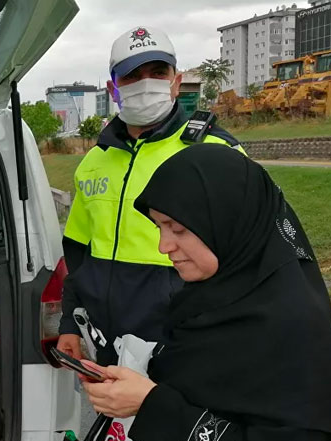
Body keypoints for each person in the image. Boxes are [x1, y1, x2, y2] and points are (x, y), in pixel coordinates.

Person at [82, 144, 331, 441]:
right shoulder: (212, 295)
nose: (163, 247)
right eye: (159, 227)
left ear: (227, 221)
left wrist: (150, 404)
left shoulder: (295, 329)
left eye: (177, 229)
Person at [58, 26, 244, 364]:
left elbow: (251, 258)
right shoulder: (93, 162)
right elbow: (78, 256)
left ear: (176, 80)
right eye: (132, 75)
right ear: (113, 88)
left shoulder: (216, 152)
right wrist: (70, 321)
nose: (146, 83)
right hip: (109, 348)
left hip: (188, 346)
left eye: (158, 72)